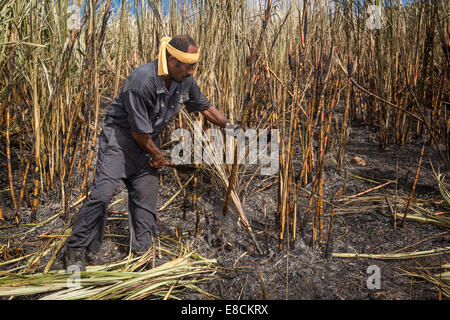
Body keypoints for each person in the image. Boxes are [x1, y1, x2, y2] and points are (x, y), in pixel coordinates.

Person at [65, 35, 235, 271]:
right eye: (189, 66)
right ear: (172, 60)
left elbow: (205, 108)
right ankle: (76, 249)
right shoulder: (141, 81)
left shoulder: (184, 80)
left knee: (145, 200)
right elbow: (138, 133)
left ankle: (142, 255)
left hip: (148, 141)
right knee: (103, 194)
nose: (192, 72)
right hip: (121, 140)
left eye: (195, 66)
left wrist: (232, 127)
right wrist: (157, 156)